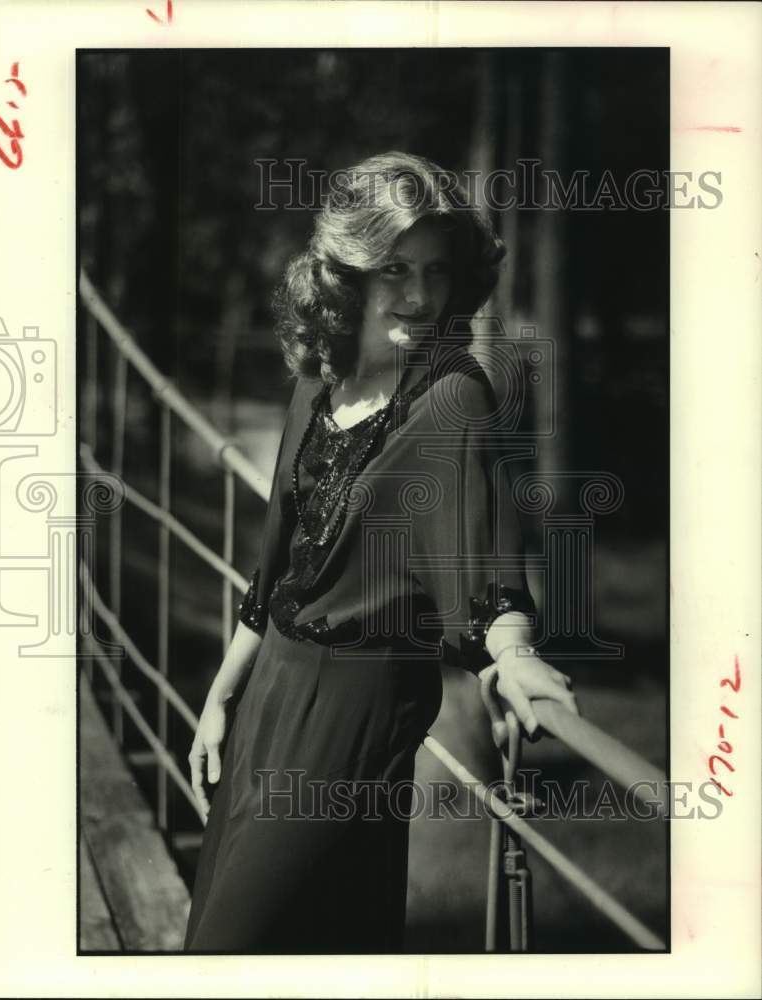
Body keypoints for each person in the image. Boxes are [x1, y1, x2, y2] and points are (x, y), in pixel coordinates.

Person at [183, 151, 578, 954]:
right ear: (346, 273)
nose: (420, 295)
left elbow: (488, 568)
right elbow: (278, 577)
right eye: (394, 268)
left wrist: (515, 652)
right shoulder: (317, 382)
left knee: (233, 948)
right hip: (269, 691)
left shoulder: (451, 397)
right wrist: (222, 694)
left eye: (436, 271)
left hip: (357, 712)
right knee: (318, 940)